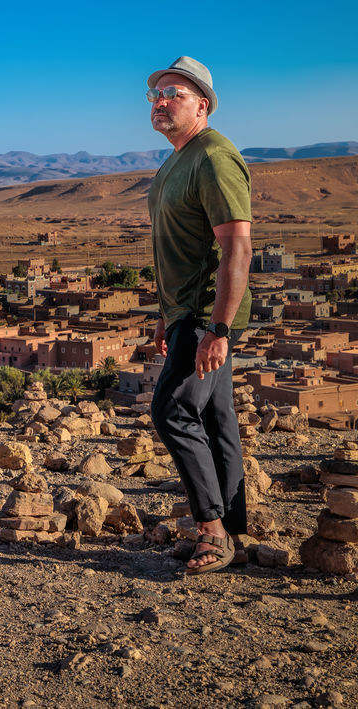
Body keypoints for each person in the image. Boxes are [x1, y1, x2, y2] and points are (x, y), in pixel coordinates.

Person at [145, 56, 252, 575]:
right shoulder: (177, 160)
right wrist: (167, 315)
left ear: (202, 105)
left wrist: (219, 328)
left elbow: (237, 247)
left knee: (173, 410)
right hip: (186, 312)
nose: (161, 102)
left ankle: (211, 529)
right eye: (157, 94)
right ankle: (235, 526)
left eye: (175, 94)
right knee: (214, 415)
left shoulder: (213, 156)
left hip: (208, 315)